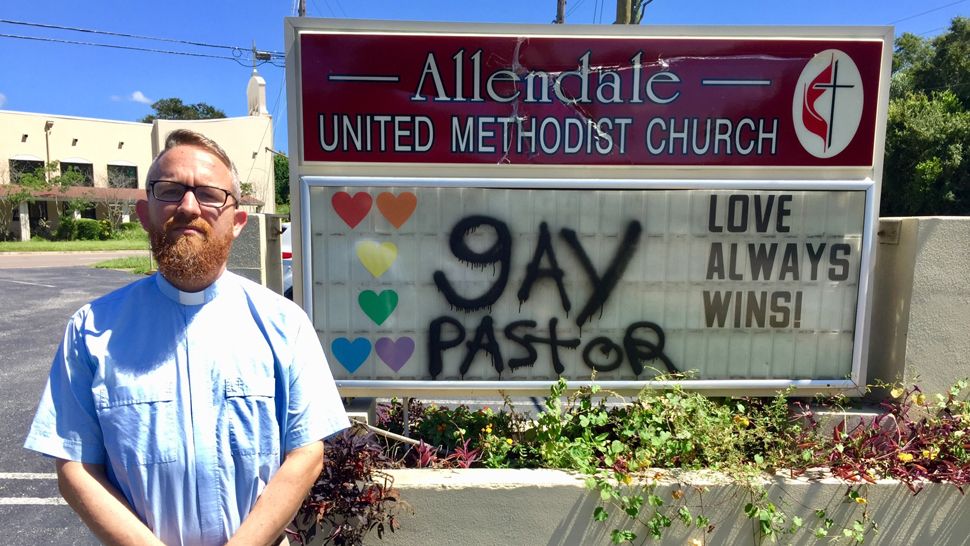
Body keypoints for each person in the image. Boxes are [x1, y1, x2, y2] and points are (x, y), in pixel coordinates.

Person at [24, 129, 349, 546]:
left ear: (236, 223)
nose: (189, 206)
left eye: (210, 194)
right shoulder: (92, 329)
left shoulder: (285, 324)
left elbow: (305, 455)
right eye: (170, 191)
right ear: (145, 213)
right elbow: (75, 466)